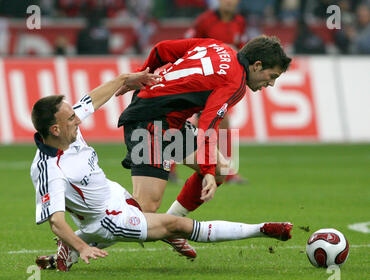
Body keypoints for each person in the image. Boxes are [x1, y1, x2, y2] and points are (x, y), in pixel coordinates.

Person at [31, 69, 293, 272]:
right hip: (108, 221)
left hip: (113, 194)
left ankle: (71, 250)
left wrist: (126, 78)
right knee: (176, 224)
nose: (78, 119)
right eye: (71, 118)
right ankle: (262, 229)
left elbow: (90, 101)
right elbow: (56, 220)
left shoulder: (66, 131)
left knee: (157, 212)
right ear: (55, 130)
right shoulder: (48, 169)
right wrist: (82, 246)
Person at [117, 35, 292, 259]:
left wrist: (141, 73)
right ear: (257, 65)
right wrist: (206, 171)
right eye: (272, 76)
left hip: (170, 121)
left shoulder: (217, 46)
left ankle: (172, 227)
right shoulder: (235, 83)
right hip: (150, 121)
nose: (271, 83)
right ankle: (77, 243)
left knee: (221, 169)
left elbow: (162, 49)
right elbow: (207, 125)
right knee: (142, 214)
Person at [183, 0, 248, 184]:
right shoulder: (205, 20)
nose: (229, 2)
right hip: (202, 78)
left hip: (224, 81)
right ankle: (170, 167)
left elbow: (242, 47)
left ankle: (226, 170)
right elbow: (189, 44)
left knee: (222, 121)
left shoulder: (240, 22)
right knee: (192, 120)